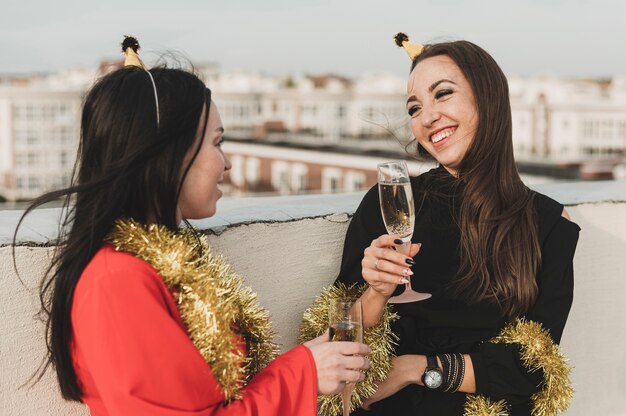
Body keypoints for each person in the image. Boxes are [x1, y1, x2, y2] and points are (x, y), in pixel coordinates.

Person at [15, 37, 370, 416]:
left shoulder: (155, 263)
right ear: (167, 151)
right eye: (217, 143)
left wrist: (309, 363)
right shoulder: (116, 280)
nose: (227, 163)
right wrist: (303, 373)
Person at [332, 34, 580, 415]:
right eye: (414, 108)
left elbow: (535, 372)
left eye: (442, 94)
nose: (427, 117)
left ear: (488, 97)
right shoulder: (392, 204)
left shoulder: (547, 223)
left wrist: (414, 369)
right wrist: (377, 292)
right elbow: (336, 345)